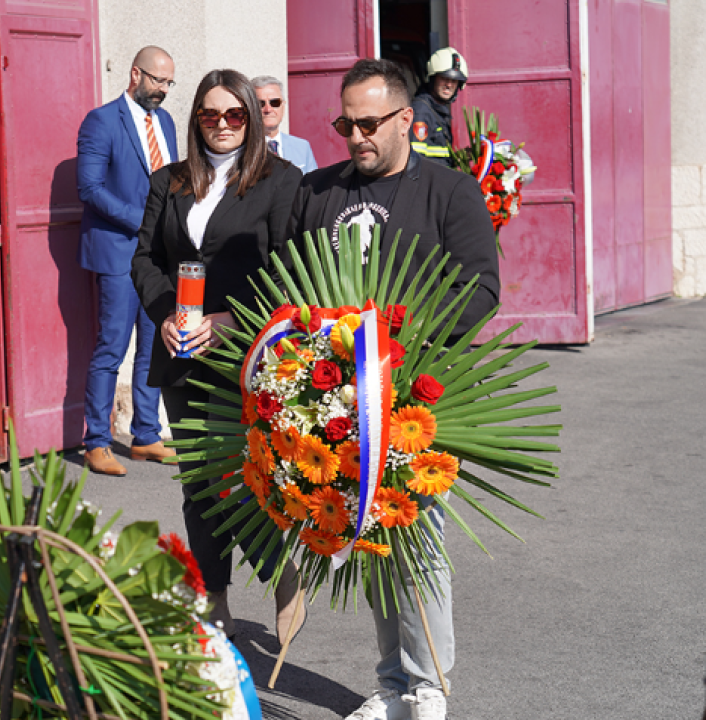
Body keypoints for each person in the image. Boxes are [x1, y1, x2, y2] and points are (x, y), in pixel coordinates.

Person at [287, 59, 499, 720]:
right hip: (335, 400)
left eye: (368, 123)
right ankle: (390, 686)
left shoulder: (449, 192)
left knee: (417, 538)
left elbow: (479, 287)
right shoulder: (316, 192)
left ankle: (427, 684)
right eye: (344, 123)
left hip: (415, 400)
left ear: (406, 119)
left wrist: (401, 348)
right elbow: (292, 285)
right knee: (368, 538)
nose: (354, 136)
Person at [131, 69, 306, 644]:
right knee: (202, 483)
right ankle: (215, 594)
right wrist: (164, 317)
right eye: (211, 114)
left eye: (236, 115)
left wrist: (230, 322)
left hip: (250, 354)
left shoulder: (282, 181)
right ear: (196, 119)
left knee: (254, 476)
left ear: (252, 120)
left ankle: (282, 576)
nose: (224, 125)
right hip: (183, 354)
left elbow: (290, 269)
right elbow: (147, 260)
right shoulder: (170, 180)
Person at [76, 46, 180, 477]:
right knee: (112, 348)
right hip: (118, 252)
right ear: (136, 73)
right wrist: (145, 222)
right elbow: (90, 188)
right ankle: (96, 442)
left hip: (157, 258)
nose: (163, 90)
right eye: (158, 81)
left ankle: (146, 436)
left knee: (154, 347)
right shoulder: (101, 121)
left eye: (169, 83)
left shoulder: (167, 122)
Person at [409, 48, 468, 167]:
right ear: (432, 79)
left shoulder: (437, 110)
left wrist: (467, 155)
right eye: (444, 78)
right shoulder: (421, 111)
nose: (449, 85)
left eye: (454, 80)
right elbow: (415, 161)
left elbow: (439, 157)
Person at [251, 75, 318, 174]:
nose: (268, 109)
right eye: (260, 103)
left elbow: (313, 185)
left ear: (283, 106)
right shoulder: (244, 150)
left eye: (275, 102)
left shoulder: (302, 147)